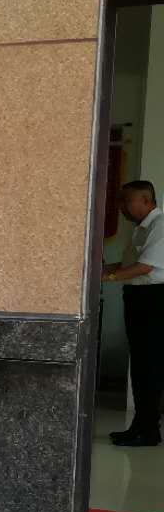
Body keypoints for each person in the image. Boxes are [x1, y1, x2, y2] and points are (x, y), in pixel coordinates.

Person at [104, 180, 164, 447]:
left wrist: (109, 277)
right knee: (140, 365)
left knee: (149, 365)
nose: (121, 207)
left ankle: (149, 431)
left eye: (126, 201)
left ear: (145, 200)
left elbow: (145, 267)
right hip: (139, 299)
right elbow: (130, 263)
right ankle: (140, 426)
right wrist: (104, 270)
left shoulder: (160, 225)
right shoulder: (141, 228)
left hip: (154, 300)